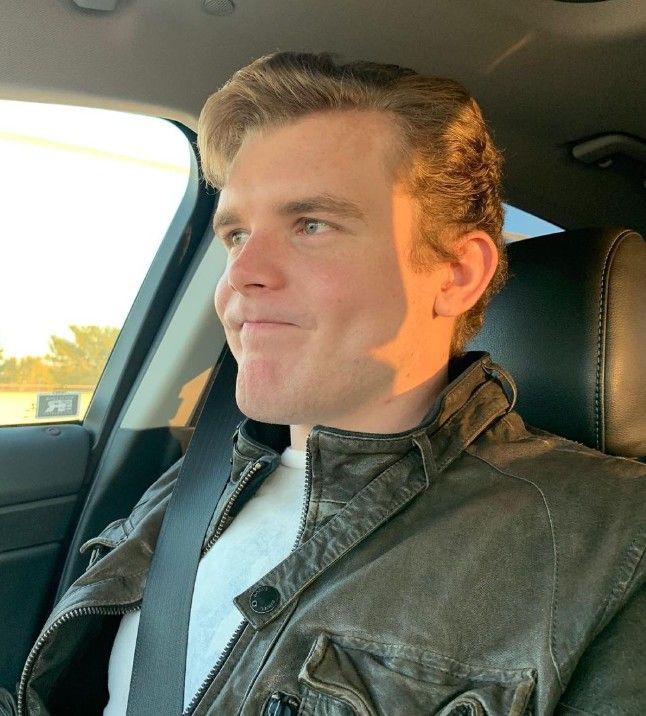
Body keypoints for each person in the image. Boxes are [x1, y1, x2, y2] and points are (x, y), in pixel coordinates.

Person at [1, 51, 644, 716]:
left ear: (456, 274)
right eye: (236, 234)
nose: (241, 273)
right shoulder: (192, 482)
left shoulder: (613, 546)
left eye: (311, 225)